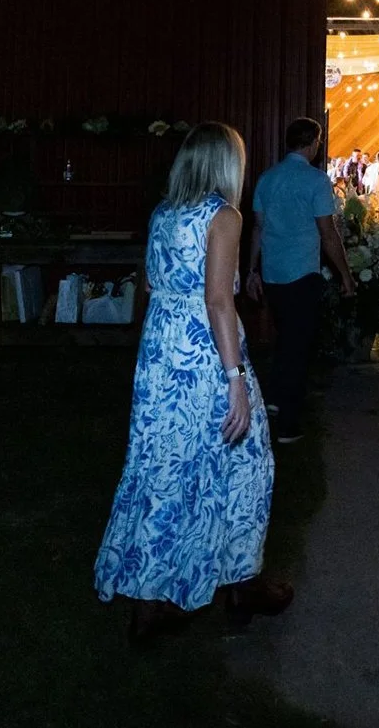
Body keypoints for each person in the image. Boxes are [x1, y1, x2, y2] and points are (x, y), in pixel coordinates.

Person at [95, 123, 291, 642]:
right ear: (226, 164)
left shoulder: (163, 213)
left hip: (161, 354)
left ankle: (155, 599)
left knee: (163, 469)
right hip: (205, 355)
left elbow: (150, 285)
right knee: (246, 462)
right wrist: (235, 379)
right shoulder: (222, 216)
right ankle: (236, 583)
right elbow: (218, 300)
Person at [246, 118, 355, 446]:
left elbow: (257, 228)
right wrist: (346, 276)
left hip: (273, 273)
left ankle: (276, 399)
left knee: (285, 341)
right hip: (302, 274)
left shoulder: (267, 179)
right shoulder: (316, 181)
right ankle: (288, 425)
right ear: (313, 142)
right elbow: (328, 232)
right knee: (298, 347)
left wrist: (251, 270)